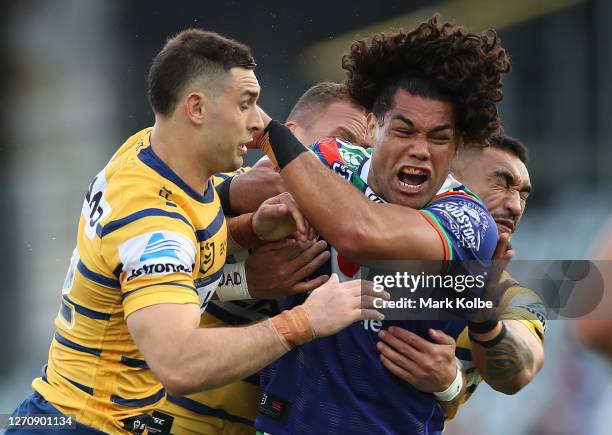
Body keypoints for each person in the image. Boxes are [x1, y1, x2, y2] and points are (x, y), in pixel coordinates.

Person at [5, 30, 384, 435]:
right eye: (245, 104)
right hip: (87, 423)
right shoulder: (153, 220)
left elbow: (184, 252)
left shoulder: (161, 160)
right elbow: (180, 362)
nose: (260, 124)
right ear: (197, 108)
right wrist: (302, 319)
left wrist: (250, 228)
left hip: (76, 413)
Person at [249, 15, 514, 434]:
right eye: (404, 131)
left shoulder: (467, 220)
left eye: (439, 138)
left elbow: (359, 232)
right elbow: (219, 207)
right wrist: (248, 263)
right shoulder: (330, 159)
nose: (420, 151)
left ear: (458, 144)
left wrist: (268, 132)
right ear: (374, 125)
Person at [159, 81, 369, 434]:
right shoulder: (210, 185)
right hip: (163, 419)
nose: (354, 162)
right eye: (343, 142)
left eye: (365, 153)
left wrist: (448, 383)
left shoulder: (361, 231)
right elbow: (140, 284)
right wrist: (246, 282)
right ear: (289, 135)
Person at [377, 135, 545, 421]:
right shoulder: (365, 239)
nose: (516, 206)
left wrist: (451, 383)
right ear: (448, 179)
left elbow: (519, 371)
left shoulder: (510, 298)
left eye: (523, 195)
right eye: (501, 183)